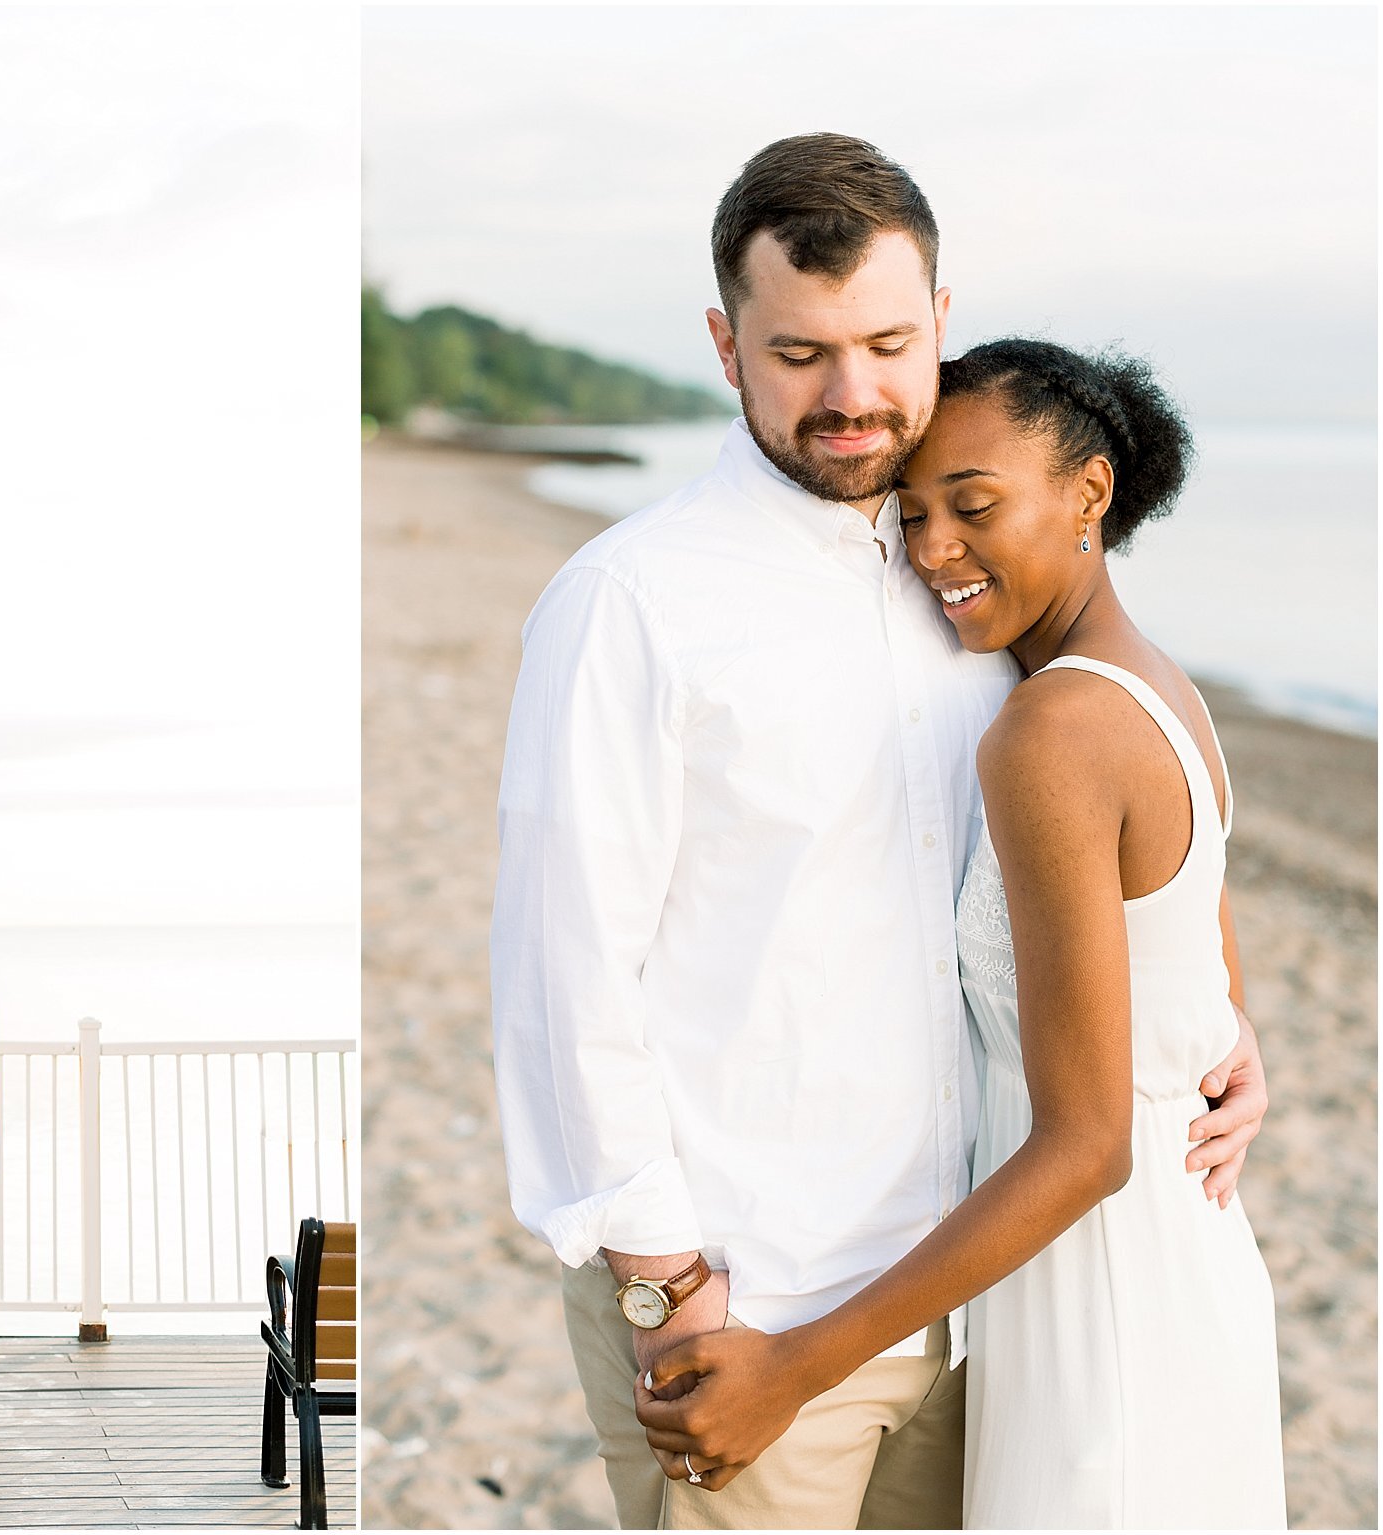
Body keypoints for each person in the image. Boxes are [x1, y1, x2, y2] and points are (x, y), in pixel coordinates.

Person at [489, 133, 1269, 1530]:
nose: (854, 397)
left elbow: (1138, 809)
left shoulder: (966, 576)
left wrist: (1212, 1020)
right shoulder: (633, 603)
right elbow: (566, 978)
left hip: (985, 1310)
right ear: (727, 346)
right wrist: (670, 1285)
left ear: (941, 324)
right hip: (755, 1305)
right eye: (800, 354)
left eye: (888, 343)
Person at [633, 340, 1286, 1527]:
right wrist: (1227, 1036)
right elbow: (1199, 950)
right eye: (911, 513)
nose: (932, 548)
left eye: (973, 506)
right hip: (1169, 1267)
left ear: (1088, 492)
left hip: (1105, 1307)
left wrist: (794, 1365)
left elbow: (1085, 1145)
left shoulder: (1053, 732)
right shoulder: (1156, 685)